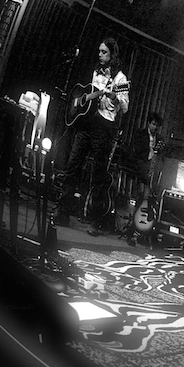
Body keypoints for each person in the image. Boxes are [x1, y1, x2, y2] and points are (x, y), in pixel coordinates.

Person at [55, 37, 130, 235]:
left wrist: (114, 96)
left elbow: (125, 106)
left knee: (98, 174)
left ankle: (96, 220)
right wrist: (84, 100)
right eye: (99, 51)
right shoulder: (96, 71)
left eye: (104, 52)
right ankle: (63, 210)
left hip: (104, 128)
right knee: (73, 165)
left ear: (112, 55)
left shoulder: (121, 79)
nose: (100, 55)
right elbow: (87, 94)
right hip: (87, 124)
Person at [124, 111, 163, 246]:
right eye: (153, 124)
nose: (155, 128)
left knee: (149, 202)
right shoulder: (140, 134)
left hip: (152, 175)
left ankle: (143, 232)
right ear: (148, 123)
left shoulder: (160, 139)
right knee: (138, 199)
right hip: (140, 170)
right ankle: (132, 229)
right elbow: (136, 153)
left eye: (157, 126)